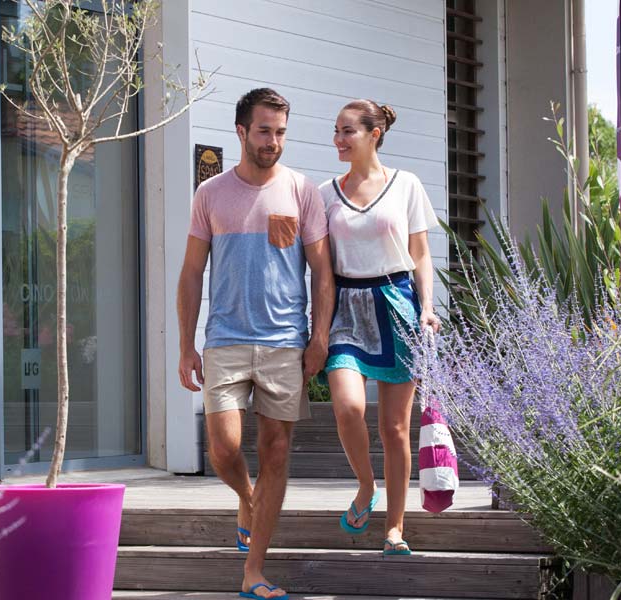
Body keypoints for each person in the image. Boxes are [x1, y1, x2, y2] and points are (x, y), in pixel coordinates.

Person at [177, 87, 333, 600]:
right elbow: (192, 273)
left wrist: (319, 337)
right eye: (265, 131)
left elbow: (322, 274)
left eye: (281, 132)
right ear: (242, 131)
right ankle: (247, 498)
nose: (274, 141)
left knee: (277, 452)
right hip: (224, 339)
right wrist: (186, 345)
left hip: (285, 343)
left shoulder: (301, 191)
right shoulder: (211, 194)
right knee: (222, 448)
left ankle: (254, 571)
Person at [319, 99, 441, 556]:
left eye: (347, 131)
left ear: (374, 134)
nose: (337, 139)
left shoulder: (406, 184)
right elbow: (318, 262)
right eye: (336, 131)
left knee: (394, 428)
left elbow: (421, 254)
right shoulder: (326, 193)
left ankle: (394, 528)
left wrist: (427, 306)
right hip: (346, 306)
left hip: (395, 303)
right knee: (348, 407)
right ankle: (365, 485)